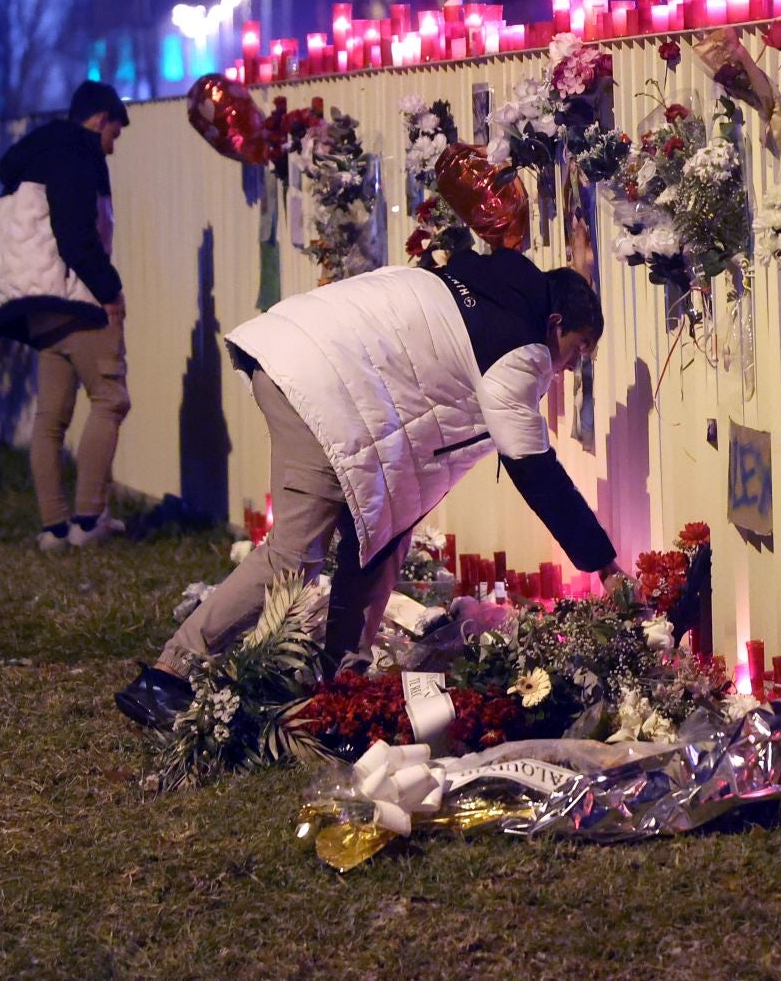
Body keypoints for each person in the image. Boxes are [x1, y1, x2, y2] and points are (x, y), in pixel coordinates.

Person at [115, 247, 619, 728]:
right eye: (578, 350)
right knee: (293, 557)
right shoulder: (521, 345)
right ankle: (168, 675)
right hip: (318, 390)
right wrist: (603, 565)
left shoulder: (488, 294)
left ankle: (340, 687)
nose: (572, 368)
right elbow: (534, 468)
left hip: (307, 362)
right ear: (555, 325)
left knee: (383, 539)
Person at [0, 80, 133, 550]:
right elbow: (74, 234)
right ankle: (89, 522)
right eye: (113, 136)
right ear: (100, 119)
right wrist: (110, 291)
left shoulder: (34, 153)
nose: (110, 150)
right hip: (73, 300)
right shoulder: (76, 153)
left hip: (34, 305)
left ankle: (54, 529)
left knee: (51, 418)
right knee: (110, 400)